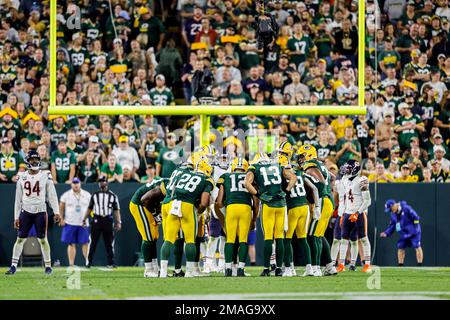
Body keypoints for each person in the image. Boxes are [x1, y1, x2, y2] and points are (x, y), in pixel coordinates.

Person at [5, 150, 61, 275]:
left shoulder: (46, 174)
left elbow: (52, 195)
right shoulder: (21, 176)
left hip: (41, 211)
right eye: (32, 159)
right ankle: (13, 266)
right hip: (26, 211)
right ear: (27, 161)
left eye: (36, 159)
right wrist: (16, 217)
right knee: (20, 239)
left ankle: (48, 266)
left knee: (42, 239)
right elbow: (17, 199)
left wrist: (56, 211)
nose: (34, 161)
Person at [245, 144, 297, 276]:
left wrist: (258, 195)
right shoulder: (278, 166)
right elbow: (293, 178)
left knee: (268, 237)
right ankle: (279, 269)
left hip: (268, 204)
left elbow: (247, 183)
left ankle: (267, 269)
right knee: (279, 237)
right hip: (281, 204)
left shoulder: (255, 167)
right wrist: (286, 191)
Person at [159, 157, 214, 278]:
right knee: (190, 240)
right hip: (187, 206)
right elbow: (204, 202)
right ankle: (189, 271)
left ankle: (163, 272)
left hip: (173, 204)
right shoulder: (207, 180)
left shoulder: (181, 172)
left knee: (168, 239)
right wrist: (199, 212)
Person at [297, 144, 336, 277]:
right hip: (328, 200)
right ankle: (330, 266)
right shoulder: (321, 165)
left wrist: (316, 202)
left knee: (313, 235)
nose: (300, 159)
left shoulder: (311, 165)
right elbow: (332, 177)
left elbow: (318, 182)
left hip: (322, 201)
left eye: (302, 156)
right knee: (319, 235)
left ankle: (315, 267)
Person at [215, 157, 256, 277]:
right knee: (243, 240)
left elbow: (219, 200)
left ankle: (228, 269)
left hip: (231, 208)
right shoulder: (249, 176)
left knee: (230, 240)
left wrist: (224, 210)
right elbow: (255, 199)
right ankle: (241, 270)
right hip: (245, 208)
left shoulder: (225, 176)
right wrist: (254, 217)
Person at [336, 160, 373, 273]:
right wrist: (343, 214)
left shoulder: (362, 180)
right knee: (344, 240)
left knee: (363, 238)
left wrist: (357, 213)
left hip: (359, 213)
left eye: (348, 168)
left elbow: (368, 200)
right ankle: (341, 264)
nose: (346, 170)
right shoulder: (345, 180)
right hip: (347, 212)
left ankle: (367, 265)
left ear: (354, 169)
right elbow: (344, 198)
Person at [129, 177, 168, 277]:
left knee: (154, 236)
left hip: (148, 204)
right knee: (148, 237)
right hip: (140, 204)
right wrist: (155, 213)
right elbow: (144, 199)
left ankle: (155, 267)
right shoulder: (167, 186)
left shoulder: (171, 183)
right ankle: (148, 269)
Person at [83, 176, 122, 268]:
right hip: (97, 219)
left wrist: (118, 222)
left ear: (107, 183)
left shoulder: (112, 196)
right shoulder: (95, 195)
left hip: (108, 219)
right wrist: (84, 219)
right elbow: (89, 208)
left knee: (109, 242)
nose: (101, 183)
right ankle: (89, 262)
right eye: (100, 181)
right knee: (93, 242)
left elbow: (116, 210)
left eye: (103, 181)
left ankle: (111, 262)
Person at [381, 199, 424, 266]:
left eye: (390, 209)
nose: (391, 211)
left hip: (414, 232)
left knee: (417, 246)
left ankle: (419, 264)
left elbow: (416, 218)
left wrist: (416, 228)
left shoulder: (406, 208)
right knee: (400, 246)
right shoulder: (393, 214)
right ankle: (400, 265)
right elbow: (392, 225)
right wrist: (386, 233)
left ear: (394, 205)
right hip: (404, 234)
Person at [59, 178, 91, 267]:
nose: (76, 185)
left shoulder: (87, 195)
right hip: (70, 222)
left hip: (83, 223)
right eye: (74, 183)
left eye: (77, 183)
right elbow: (61, 206)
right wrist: (61, 218)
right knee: (71, 243)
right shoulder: (66, 195)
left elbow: (91, 207)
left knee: (85, 243)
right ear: (71, 184)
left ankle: (88, 262)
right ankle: (71, 264)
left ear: (80, 184)